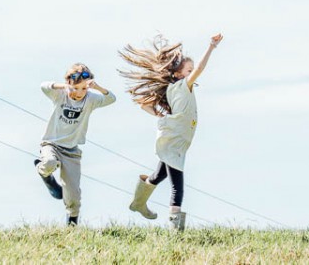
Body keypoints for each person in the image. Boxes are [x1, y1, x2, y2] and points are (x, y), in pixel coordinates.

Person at [119, 33, 223, 230]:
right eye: (189, 70)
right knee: (178, 185)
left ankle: (138, 203)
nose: (193, 73)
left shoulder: (174, 88)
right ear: (177, 74)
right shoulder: (182, 86)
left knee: (159, 176)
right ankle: (176, 231)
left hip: (175, 139)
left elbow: (144, 106)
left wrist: (159, 115)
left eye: (191, 71)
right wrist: (211, 47)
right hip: (175, 140)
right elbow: (201, 68)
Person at [35, 63, 116, 225]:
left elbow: (111, 98)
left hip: (71, 151)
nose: (79, 93)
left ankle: (72, 225)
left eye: (83, 89)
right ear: (68, 85)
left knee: (73, 194)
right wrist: (64, 86)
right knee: (50, 162)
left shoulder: (91, 99)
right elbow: (43, 86)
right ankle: (44, 173)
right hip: (51, 144)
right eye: (75, 89)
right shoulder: (60, 95)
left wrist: (97, 87)